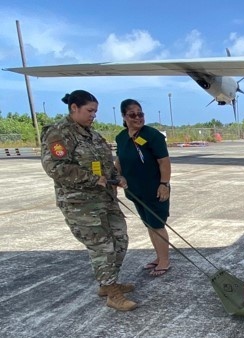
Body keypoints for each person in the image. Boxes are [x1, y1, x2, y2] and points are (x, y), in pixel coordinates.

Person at [40, 90, 137, 311]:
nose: (93, 115)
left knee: (120, 239)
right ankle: (112, 293)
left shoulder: (92, 135)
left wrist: (116, 177)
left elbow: (105, 163)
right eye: (89, 110)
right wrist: (93, 179)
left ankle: (108, 282)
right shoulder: (58, 133)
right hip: (80, 203)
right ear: (74, 108)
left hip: (105, 199)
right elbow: (55, 167)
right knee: (102, 246)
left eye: (95, 111)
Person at [115, 99, 172, 277]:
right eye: (132, 115)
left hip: (154, 189)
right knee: (149, 224)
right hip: (135, 191)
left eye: (140, 114)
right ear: (124, 117)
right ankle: (159, 256)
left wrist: (164, 184)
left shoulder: (152, 135)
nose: (138, 118)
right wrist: (116, 176)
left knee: (157, 224)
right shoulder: (122, 137)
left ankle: (165, 260)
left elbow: (164, 162)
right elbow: (120, 161)